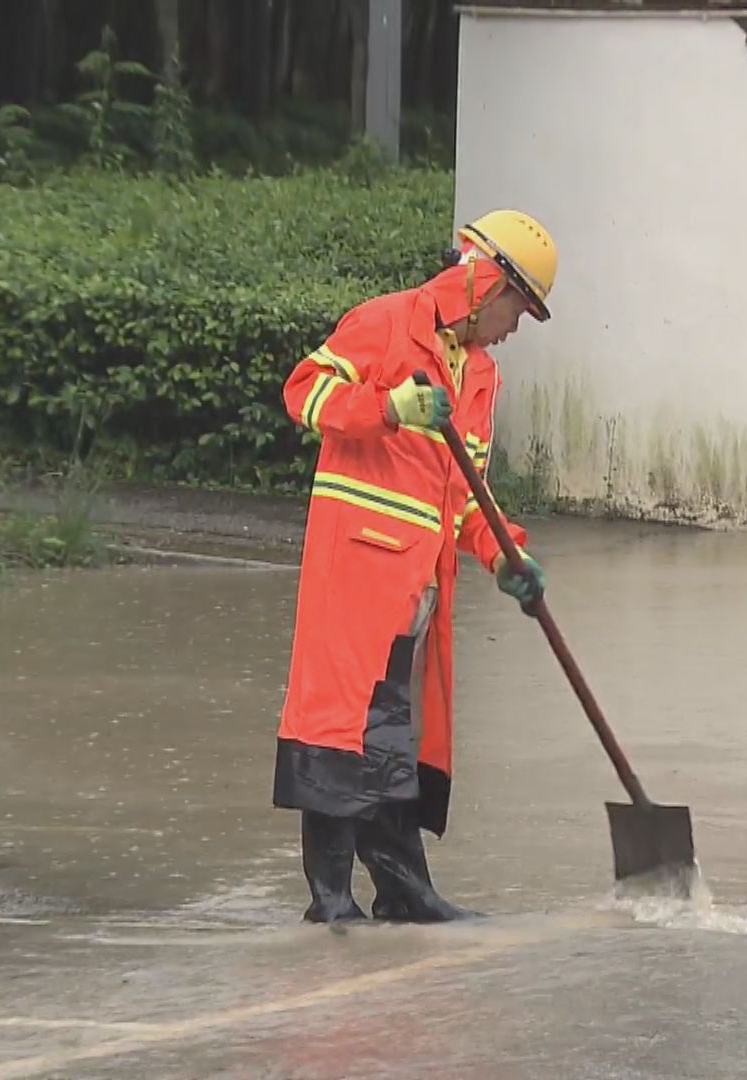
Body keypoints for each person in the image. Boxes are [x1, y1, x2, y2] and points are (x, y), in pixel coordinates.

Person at [273, 209, 558, 924]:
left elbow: (466, 497)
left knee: (391, 736)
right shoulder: (384, 324)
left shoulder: (481, 377)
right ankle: (331, 901)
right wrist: (387, 407)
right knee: (339, 731)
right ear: (482, 281)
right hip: (355, 571)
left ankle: (403, 889)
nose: (515, 327)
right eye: (515, 307)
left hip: (418, 587)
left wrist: (504, 552)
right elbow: (303, 394)